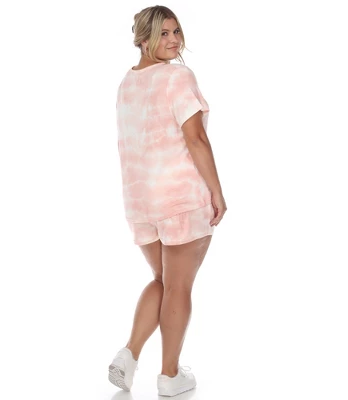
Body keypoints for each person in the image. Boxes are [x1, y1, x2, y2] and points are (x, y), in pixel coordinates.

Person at [109, 5, 227, 397]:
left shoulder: (127, 83)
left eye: (176, 31)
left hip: (140, 201)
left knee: (162, 280)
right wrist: (216, 191)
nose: (174, 40)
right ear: (143, 39)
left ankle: (129, 354)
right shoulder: (178, 77)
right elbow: (196, 138)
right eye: (163, 33)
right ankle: (170, 375)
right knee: (178, 287)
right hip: (179, 198)